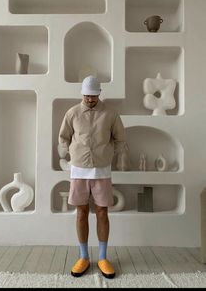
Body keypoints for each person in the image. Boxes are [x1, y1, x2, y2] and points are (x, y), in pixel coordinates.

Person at [58, 76, 126, 279]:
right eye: (87, 95)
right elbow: (63, 137)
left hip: (102, 169)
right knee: (81, 212)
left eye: (93, 95)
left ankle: (103, 258)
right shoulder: (72, 113)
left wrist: (115, 154)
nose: (89, 99)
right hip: (78, 169)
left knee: (103, 212)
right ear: (82, 93)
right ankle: (84, 256)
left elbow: (120, 138)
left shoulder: (111, 114)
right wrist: (67, 153)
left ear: (99, 94)